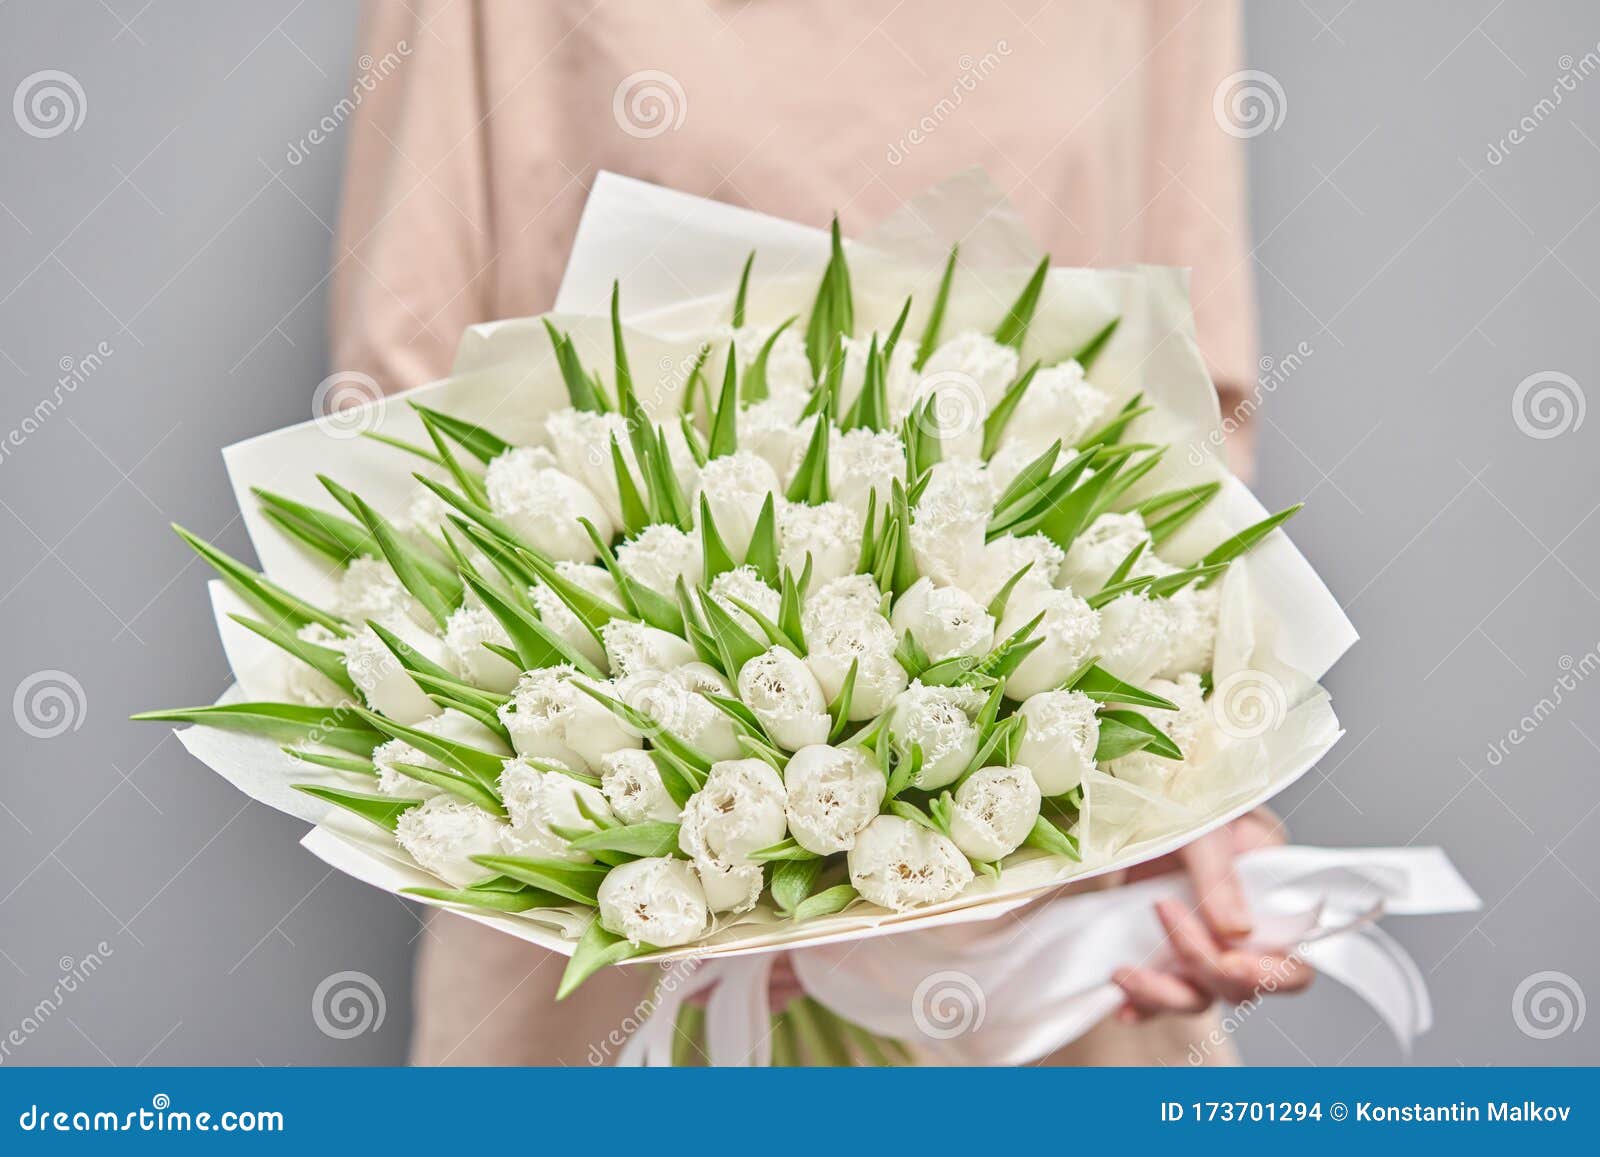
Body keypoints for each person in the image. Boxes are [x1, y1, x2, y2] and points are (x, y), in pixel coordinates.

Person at [330, 0, 1308, 1066]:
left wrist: (1205, 780)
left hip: (1051, 894)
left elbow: (1189, 421)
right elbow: (402, 410)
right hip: (612, 904)